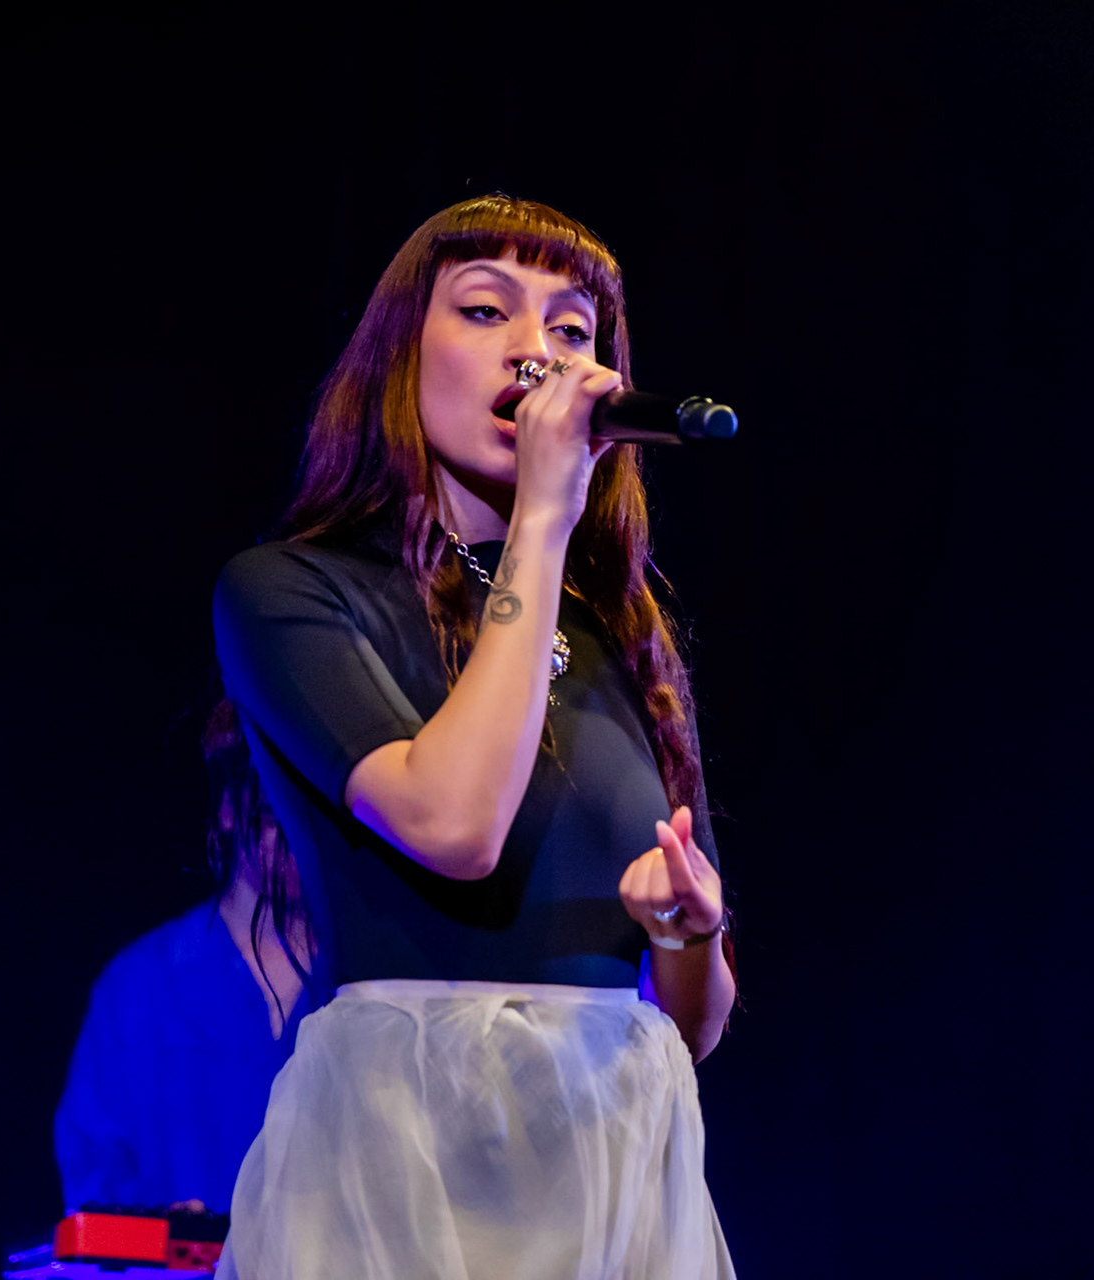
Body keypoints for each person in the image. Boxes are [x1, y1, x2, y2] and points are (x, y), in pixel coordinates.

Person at [211, 195, 736, 1279]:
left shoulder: (618, 634)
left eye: (574, 332)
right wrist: (544, 516)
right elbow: (452, 824)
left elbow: (693, 1025)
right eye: (488, 310)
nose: (537, 354)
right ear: (402, 357)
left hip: (608, 1159)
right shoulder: (294, 590)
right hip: (405, 1153)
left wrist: (688, 933)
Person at [53, 703, 310, 1215]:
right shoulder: (138, 987)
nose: (299, 832)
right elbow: (94, 1180)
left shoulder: (367, 977)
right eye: (275, 810)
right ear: (228, 808)